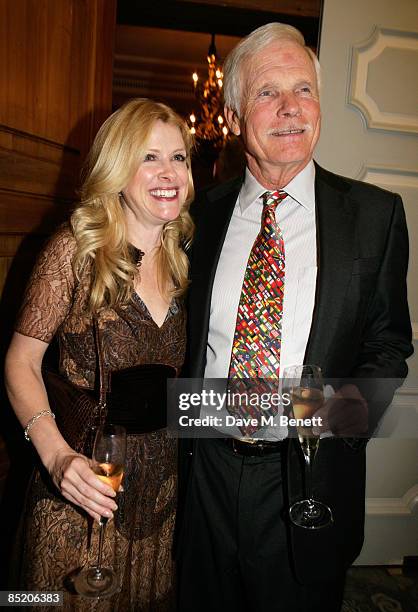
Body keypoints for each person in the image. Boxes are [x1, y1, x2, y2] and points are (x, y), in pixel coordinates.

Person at [176, 23, 412, 612]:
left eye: (303, 90)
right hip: (202, 470)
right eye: (266, 92)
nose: (290, 109)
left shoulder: (374, 216)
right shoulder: (196, 217)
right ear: (232, 116)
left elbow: (388, 349)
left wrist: (313, 418)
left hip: (309, 479)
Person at [5, 98, 194, 610]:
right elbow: (20, 362)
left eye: (179, 158)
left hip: (159, 499)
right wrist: (56, 455)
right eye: (149, 157)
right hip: (80, 487)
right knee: (41, 602)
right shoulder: (73, 251)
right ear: (116, 167)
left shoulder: (185, 261)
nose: (168, 173)